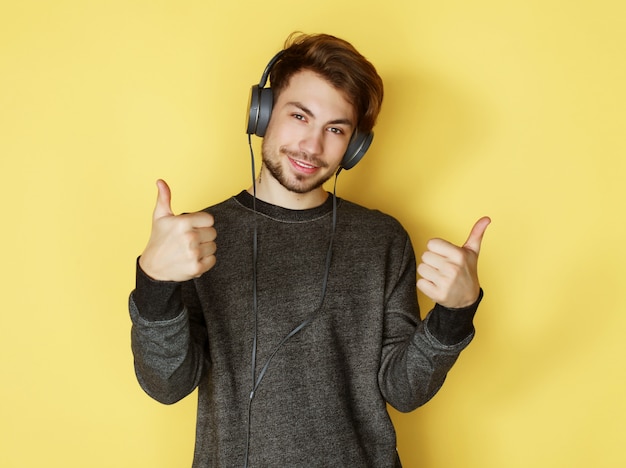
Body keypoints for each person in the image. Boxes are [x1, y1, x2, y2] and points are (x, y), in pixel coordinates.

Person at [129, 32, 490, 467]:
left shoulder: (382, 240)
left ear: (354, 147)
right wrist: (154, 283)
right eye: (300, 116)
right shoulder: (196, 240)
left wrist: (455, 314)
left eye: (335, 129)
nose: (312, 146)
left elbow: (403, 390)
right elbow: (166, 385)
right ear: (261, 115)